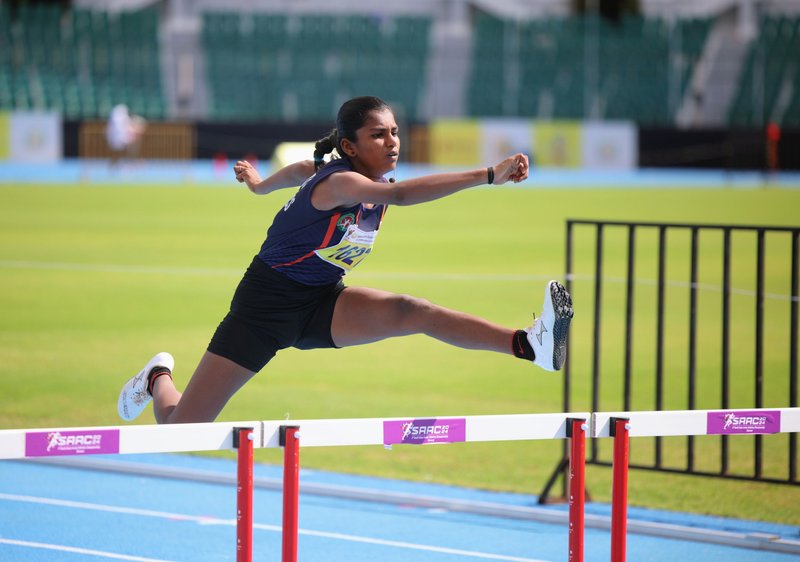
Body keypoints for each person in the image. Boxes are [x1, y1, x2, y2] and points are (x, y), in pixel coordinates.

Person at [117, 96, 574, 424]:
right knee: (183, 429)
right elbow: (398, 194)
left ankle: (528, 345)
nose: (392, 142)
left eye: (395, 132)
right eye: (378, 135)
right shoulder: (344, 184)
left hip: (321, 302)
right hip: (265, 308)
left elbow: (300, 170)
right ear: (350, 147)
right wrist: (488, 175)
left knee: (411, 311)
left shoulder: (335, 174)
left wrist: (260, 185)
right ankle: (158, 376)